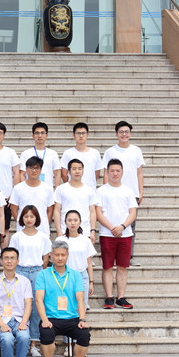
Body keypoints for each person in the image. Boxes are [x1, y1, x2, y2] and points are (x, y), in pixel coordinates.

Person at [35, 240, 91, 357]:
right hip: (51, 318)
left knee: (84, 334)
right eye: (57, 255)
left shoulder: (75, 275)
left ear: (67, 256)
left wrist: (82, 319)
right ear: (51, 256)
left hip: (71, 318)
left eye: (63, 255)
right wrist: (44, 320)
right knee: (46, 333)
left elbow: (80, 299)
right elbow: (39, 300)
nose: (60, 258)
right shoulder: (43, 274)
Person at [10, 205, 52, 357]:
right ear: (21, 218)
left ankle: (33, 343)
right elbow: (12, 256)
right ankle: (20, 340)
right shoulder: (16, 237)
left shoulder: (42, 237)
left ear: (36, 218)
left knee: (35, 306)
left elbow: (45, 258)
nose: (29, 219)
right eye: (26, 216)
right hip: (20, 271)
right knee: (19, 305)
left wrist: (40, 272)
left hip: (37, 271)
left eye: (32, 216)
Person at [96, 159, 138, 310]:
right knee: (107, 266)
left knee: (122, 267)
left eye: (118, 170)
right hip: (107, 234)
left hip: (125, 234)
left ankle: (121, 297)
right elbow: (98, 213)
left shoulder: (128, 191)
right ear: (107, 172)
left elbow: (133, 213)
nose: (115, 173)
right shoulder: (101, 191)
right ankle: (109, 297)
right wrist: (112, 228)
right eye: (112, 170)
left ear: (122, 172)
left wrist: (122, 226)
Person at [102, 121, 145, 265]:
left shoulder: (136, 150)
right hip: (112, 192)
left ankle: (128, 257)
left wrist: (141, 191)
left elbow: (139, 173)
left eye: (127, 132)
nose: (124, 134)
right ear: (116, 134)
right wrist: (105, 190)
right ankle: (111, 256)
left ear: (130, 134)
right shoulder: (110, 152)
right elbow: (106, 173)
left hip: (132, 193)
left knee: (130, 226)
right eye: (121, 132)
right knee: (111, 222)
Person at [53, 159, 99, 243]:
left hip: (85, 232)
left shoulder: (89, 190)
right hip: (65, 232)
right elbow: (56, 210)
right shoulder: (61, 189)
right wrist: (59, 232)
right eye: (74, 169)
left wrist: (92, 231)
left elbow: (92, 212)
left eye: (80, 169)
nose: (77, 171)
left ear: (83, 171)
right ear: (69, 172)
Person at [9, 156, 55, 239]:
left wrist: (44, 224)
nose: (34, 170)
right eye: (31, 168)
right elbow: (14, 209)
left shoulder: (47, 189)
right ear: (26, 169)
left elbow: (50, 210)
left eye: (37, 168)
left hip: (42, 231)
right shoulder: (18, 188)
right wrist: (21, 223)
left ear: (41, 170)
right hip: (23, 231)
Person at [63, 210, 96, 325]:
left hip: (82, 276)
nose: (72, 223)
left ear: (80, 222)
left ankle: (79, 331)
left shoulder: (85, 240)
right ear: (65, 222)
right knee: (65, 306)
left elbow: (89, 262)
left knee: (82, 306)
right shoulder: (61, 240)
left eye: (75, 220)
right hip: (65, 276)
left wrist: (91, 282)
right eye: (69, 220)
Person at [60, 122, 103, 190]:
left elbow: (97, 174)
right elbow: (64, 174)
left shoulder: (95, 153)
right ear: (74, 135)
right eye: (78, 133)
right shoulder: (68, 153)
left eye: (83, 133)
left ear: (87, 135)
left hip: (90, 190)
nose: (81, 136)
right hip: (72, 190)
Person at [19, 122, 61, 187]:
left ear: (46, 135)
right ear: (33, 136)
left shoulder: (53, 154)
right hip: (30, 189)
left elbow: (57, 174)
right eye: (37, 133)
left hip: (47, 190)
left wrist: (56, 191)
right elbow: (22, 174)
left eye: (42, 133)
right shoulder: (26, 154)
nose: (40, 136)